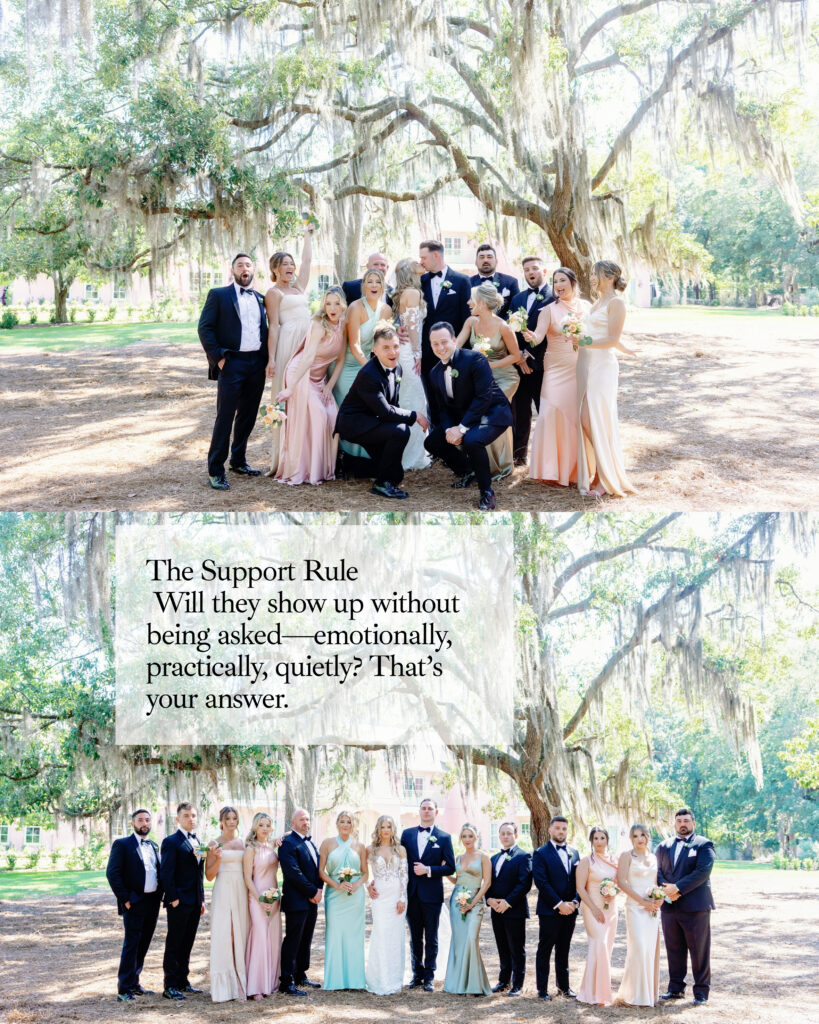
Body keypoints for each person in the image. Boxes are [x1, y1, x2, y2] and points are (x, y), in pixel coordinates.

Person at [424, 322, 514, 511]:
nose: (440, 348)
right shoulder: (434, 373)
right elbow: (443, 409)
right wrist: (449, 429)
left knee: (472, 440)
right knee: (432, 443)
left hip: (492, 412)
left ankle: (487, 492)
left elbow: (483, 398)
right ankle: (467, 471)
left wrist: (462, 428)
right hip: (464, 416)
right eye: (435, 344)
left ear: (454, 340)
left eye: (444, 342)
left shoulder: (475, 360)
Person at [334, 324, 429, 499]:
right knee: (401, 430)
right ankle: (380, 485)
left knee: (396, 474)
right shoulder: (369, 374)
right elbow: (385, 411)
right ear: (375, 351)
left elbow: (393, 403)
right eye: (386, 348)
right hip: (355, 424)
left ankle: (346, 462)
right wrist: (415, 415)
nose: (392, 352)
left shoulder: (397, 367)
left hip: (373, 421)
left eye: (395, 346)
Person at [198, 253, 268, 490]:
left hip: (256, 363)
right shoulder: (219, 295)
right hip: (231, 363)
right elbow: (205, 328)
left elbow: (266, 332)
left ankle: (238, 461)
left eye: (248, 265)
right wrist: (218, 359)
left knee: (248, 415)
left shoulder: (261, 298)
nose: (244, 268)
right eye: (240, 265)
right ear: (233, 270)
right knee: (225, 416)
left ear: (253, 270)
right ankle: (216, 470)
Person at [577, 259, 638, 497]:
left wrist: (585, 341)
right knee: (585, 418)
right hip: (588, 364)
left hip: (603, 367)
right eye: (592, 273)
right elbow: (601, 333)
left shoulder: (616, 303)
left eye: (596, 274)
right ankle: (600, 472)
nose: (592, 277)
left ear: (610, 277)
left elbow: (611, 338)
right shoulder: (598, 302)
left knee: (596, 419)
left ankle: (604, 479)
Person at [274, 288, 347, 485]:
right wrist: (290, 388)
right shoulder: (318, 324)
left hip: (320, 380)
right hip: (300, 374)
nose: (332, 308)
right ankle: (309, 472)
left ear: (343, 306)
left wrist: (329, 386)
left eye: (336, 304)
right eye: (328, 303)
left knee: (333, 415)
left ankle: (326, 470)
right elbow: (307, 358)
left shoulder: (343, 325)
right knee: (319, 416)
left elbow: (340, 359)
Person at [527, 267, 591, 487]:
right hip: (555, 370)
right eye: (555, 282)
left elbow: (593, 337)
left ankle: (574, 470)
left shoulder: (587, 308)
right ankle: (550, 469)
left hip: (580, 367)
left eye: (563, 280)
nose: (558, 285)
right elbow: (537, 338)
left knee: (576, 416)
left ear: (573, 282)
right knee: (548, 413)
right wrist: (527, 334)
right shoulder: (548, 310)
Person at [455, 281, 521, 479]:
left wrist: (489, 366)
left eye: (471, 299)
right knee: (479, 415)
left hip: (504, 377)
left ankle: (502, 465)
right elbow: (456, 347)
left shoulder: (504, 327)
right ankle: (483, 464)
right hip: (480, 377)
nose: (468, 302)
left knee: (495, 416)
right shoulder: (471, 322)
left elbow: (516, 356)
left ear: (482, 303)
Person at [263, 226, 314, 472]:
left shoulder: (299, 288)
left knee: (307, 395)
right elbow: (273, 326)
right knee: (284, 396)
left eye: (291, 263)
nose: (290, 267)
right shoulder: (273, 293)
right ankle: (283, 458)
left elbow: (307, 261)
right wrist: (271, 359)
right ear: (275, 269)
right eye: (284, 263)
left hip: (307, 343)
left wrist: (308, 235)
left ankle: (304, 452)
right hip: (288, 343)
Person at [333, 268, 394, 473]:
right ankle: (341, 457)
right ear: (363, 286)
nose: (374, 286)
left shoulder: (386, 310)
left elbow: (384, 341)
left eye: (378, 282)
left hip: (369, 364)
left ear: (383, 286)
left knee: (369, 410)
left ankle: (364, 462)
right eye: (370, 282)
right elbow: (355, 345)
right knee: (349, 410)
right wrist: (372, 368)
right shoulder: (355, 307)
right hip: (351, 364)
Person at [655, 808, 715, 1007]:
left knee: (699, 950)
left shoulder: (703, 844)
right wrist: (668, 890)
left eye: (686, 820)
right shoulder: (663, 846)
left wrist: (678, 888)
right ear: (674, 824)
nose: (683, 824)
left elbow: (702, 872)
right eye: (679, 820)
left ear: (693, 824)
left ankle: (701, 992)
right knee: (674, 949)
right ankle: (675, 988)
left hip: (695, 907)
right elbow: (658, 872)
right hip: (670, 908)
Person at [105, 809, 162, 1002]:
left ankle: (135, 983)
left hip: (152, 902)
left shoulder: (154, 845)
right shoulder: (122, 845)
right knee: (131, 944)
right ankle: (124, 988)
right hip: (134, 902)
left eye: (147, 820)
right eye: (140, 820)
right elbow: (113, 873)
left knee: (144, 943)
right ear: (132, 823)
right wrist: (125, 899)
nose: (144, 823)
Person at [401, 798, 456, 991]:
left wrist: (429, 870)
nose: (426, 811)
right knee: (415, 937)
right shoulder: (406, 835)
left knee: (432, 937)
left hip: (432, 895)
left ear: (436, 813)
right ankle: (417, 974)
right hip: (412, 894)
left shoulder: (444, 837)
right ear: (419, 811)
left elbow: (450, 867)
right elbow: (400, 862)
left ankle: (429, 977)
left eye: (430, 809)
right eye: (423, 808)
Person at [507, 256, 555, 464]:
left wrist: (528, 354)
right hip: (520, 365)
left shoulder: (554, 297)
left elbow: (551, 332)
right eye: (526, 270)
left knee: (545, 410)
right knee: (520, 412)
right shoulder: (517, 299)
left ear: (544, 271)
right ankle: (519, 455)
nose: (530, 272)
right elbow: (511, 332)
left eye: (534, 268)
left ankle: (547, 456)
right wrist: (519, 356)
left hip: (543, 364)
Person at [159, 802, 206, 1001]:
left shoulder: (198, 841)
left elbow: (199, 874)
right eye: (186, 815)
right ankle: (170, 985)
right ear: (178, 819)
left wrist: (201, 899)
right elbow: (166, 873)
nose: (191, 819)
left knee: (187, 943)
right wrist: (174, 899)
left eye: (193, 815)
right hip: (179, 902)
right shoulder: (171, 842)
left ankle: (182, 981)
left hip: (195, 902)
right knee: (174, 943)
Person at [531, 815, 580, 1001]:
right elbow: (541, 883)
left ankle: (564, 987)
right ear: (550, 830)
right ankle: (542, 989)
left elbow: (579, 882)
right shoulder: (540, 853)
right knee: (545, 948)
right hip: (550, 910)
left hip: (570, 910)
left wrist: (575, 903)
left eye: (564, 829)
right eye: (557, 828)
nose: (561, 832)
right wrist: (559, 904)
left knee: (564, 948)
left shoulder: (575, 853)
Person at [615, 823, 664, 1007]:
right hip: (635, 908)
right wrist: (642, 902)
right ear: (631, 839)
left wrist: (658, 899)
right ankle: (635, 994)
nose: (639, 839)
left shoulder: (653, 857)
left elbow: (655, 882)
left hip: (652, 910)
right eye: (635, 836)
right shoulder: (626, 856)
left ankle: (648, 995)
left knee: (649, 950)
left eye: (642, 835)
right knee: (639, 947)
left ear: (648, 837)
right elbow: (621, 882)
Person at [319, 811, 368, 990]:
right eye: (342, 821)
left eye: (348, 822)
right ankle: (335, 980)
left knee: (354, 935)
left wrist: (356, 885)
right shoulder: (327, 843)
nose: (345, 825)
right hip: (334, 895)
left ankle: (355, 980)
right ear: (337, 824)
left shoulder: (360, 846)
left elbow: (365, 873)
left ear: (353, 825)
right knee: (335, 934)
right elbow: (321, 871)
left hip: (355, 896)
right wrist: (336, 885)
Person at [277, 807, 323, 997]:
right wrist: (312, 891)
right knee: (293, 939)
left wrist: (319, 890)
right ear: (292, 823)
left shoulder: (310, 843)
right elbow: (293, 873)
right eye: (302, 819)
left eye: (308, 819)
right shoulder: (287, 843)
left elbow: (317, 868)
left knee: (306, 938)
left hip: (312, 900)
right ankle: (286, 982)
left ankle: (300, 974)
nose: (306, 822)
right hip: (296, 900)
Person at [443, 823, 492, 996]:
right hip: (457, 902)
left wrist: (472, 903)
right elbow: (458, 881)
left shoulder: (483, 857)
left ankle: (473, 986)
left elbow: (487, 883)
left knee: (471, 939)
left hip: (475, 902)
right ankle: (457, 983)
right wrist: (446, 873)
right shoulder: (458, 858)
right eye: (464, 836)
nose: (467, 840)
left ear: (476, 837)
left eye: (470, 836)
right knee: (459, 941)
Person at [206, 806, 249, 1002]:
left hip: (241, 888)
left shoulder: (243, 843)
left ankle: (242, 982)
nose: (231, 822)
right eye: (227, 818)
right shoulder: (214, 843)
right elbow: (209, 875)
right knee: (226, 934)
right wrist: (217, 858)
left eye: (234, 818)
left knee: (241, 933)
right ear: (221, 821)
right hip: (223, 888)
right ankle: (226, 986)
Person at [418, 240, 472, 394]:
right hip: (428, 350)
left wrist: (460, 348)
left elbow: (466, 318)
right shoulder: (421, 281)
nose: (421, 262)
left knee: (456, 393)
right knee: (431, 395)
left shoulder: (462, 281)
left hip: (453, 347)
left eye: (423, 258)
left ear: (436, 255)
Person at [392, 257, 430, 470]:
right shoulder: (413, 293)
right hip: (409, 353)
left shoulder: (405, 293)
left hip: (405, 351)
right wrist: (418, 355)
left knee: (408, 399)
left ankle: (411, 451)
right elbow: (413, 329)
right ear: (410, 270)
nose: (421, 263)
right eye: (417, 262)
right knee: (415, 401)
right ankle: (412, 456)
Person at [486, 821, 532, 997]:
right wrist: (489, 899)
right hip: (495, 910)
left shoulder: (524, 856)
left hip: (514, 910)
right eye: (502, 833)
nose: (506, 836)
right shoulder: (494, 858)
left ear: (516, 835)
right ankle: (503, 981)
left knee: (516, 948)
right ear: (499, 836)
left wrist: (507, 902)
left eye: (509, 833)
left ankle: (517, 984)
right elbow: (489, 882)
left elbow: (524, 884)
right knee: (502, 946)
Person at [575, 826, 620, 1006]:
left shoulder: (614, 860)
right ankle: (593, 993)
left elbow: (618, 883)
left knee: (604, 948)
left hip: (611, 908)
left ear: (607, 840)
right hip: (591, 907)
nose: (599, 842)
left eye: (602, 838)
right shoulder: (586, 861)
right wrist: (593, 908)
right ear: (591, 841)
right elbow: (580, 888)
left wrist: (613, 892)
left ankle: (596, 991)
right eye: (596, 838)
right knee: (598, 943)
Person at [365, 815, 408, 995]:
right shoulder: (370, 850)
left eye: (388, 826)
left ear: (392, 829)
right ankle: (380, 980)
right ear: (378, 829)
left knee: (395, 937)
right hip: (380, 898)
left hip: (396, 898)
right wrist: (368, 887)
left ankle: (394, 979)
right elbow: (364, 873)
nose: (385, 830)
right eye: (382, 827)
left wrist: (403, 898)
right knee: (381, 935)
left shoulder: (400, 850)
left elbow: (404, 875)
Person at [243, 812, 282, 1000]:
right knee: (259, 935)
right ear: (254, 828)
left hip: (274, 897)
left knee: (272, 938)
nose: (265, 829)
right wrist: (260, 900)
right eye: (261, 825)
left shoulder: (272, 846)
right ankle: (256, 986)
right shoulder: (251, 848)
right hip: (257, 897)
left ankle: (270, 982)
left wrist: (272, 898)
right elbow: (247, 879)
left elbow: (292, 833)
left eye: (268, 825)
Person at [469, 243, 520, 320]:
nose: (485, 260)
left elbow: (516, 309)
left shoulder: (511, 282)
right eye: (481, 257)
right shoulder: (467, 283)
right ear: (476, 262)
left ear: (496, 261)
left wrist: (500, 326)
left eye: (489, 257)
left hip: (503, 329)